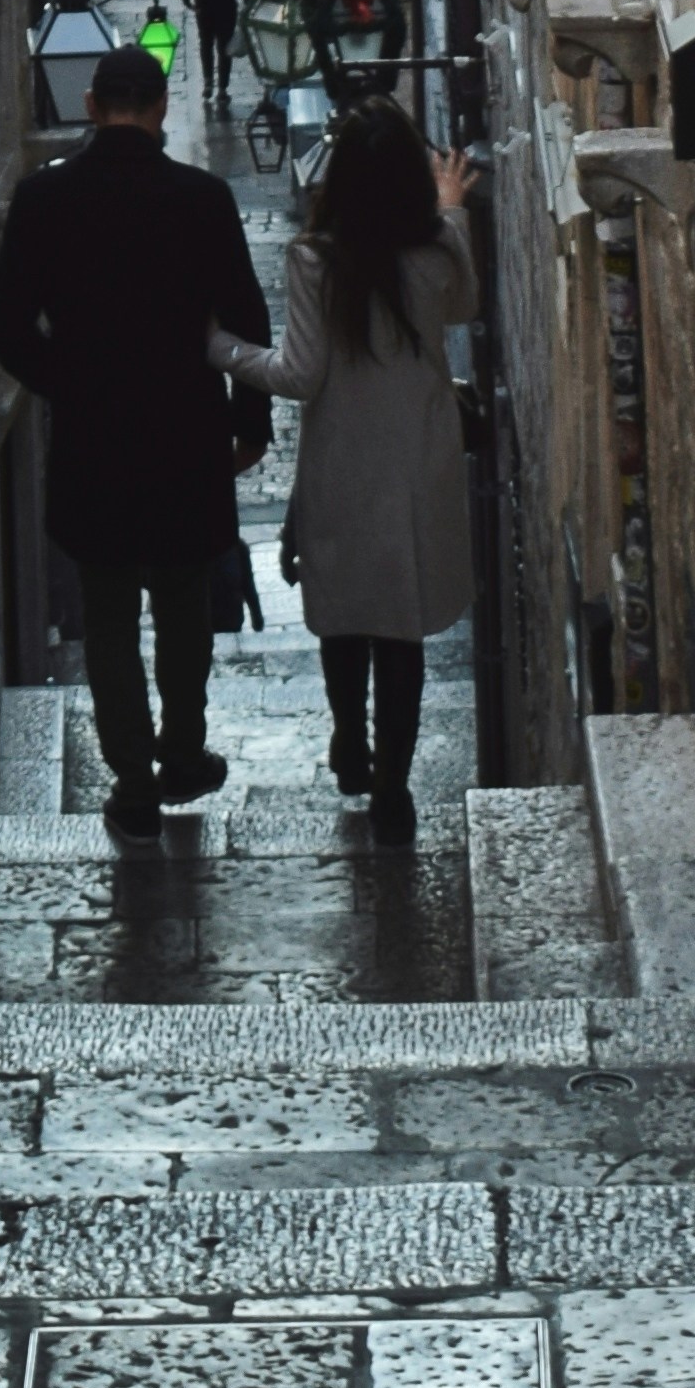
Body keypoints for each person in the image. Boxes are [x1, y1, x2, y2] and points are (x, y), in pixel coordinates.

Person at [0, 40, 271, 835]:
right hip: (186, 432)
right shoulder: (202, 199)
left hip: (93, 440)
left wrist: (68, 381)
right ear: (160, 109)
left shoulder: (45, 201)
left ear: (89, 106)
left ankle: (133, 780)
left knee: (107, 609)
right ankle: (183, 749)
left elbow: (5, 326)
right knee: (181, 602)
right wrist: (250, 424)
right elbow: (248, 318)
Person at [218, 99, 476, 849]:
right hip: (419, 459)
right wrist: (453, 213)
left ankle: (348, 739)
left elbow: (298, 377)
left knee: (344, 613)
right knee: (401, 631)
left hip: (344, 462)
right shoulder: (436, 254)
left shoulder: (315, 261)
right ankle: (392, 785)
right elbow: (463, 304)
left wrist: (221, 349)